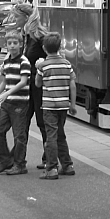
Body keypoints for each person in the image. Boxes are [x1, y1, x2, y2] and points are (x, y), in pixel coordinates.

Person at [34, 31, 77, 179]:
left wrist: (38, 67)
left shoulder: (44, 66)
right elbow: (72, 85)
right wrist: (73, 104)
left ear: (44, 49)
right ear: (59, 47)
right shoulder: (67, 64)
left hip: (49, 107)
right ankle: (67, 165)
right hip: (64, 106)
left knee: (51, 136)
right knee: (60, 134)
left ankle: (51, 168)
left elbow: (37, 84)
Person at [0, 30, 31, 175]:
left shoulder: (24, 62)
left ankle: (20, 164)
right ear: (6, 45)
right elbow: (5, 81)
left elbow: (23, 82)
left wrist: (7, 93)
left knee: (19, 135)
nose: (12, 46)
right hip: (7, 103)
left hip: (20, 104)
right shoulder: (6, 62)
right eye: (9, 43)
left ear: (21, 45)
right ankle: (5, 160)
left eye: (15, 43)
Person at [21, 5, 49, 168]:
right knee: (23, 121)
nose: (14, 21)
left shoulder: (40, 37)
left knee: (42, 122)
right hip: (28, 86)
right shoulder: (26, 36)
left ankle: (49, 158)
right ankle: (19, 160)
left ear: (26, 18)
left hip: (38, 85)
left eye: (16, 18)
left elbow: (54, 57)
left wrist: (41, 66)